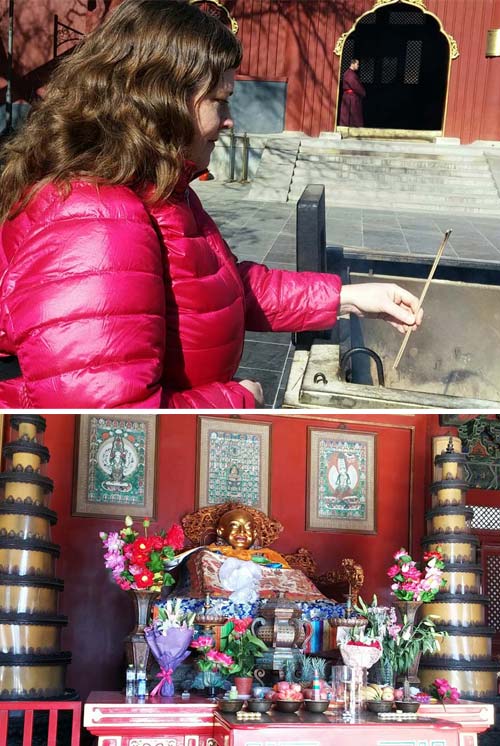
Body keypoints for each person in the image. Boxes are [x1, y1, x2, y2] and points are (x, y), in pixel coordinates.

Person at [0, 0, 420, 408]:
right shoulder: (96, 219)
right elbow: (109, 416)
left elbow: (221, 288)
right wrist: (238, 399)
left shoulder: (159, 190)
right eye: (219, 100)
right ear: (161, 99)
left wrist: (350, 297)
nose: (229, 118)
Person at [210, 507, 290, 568]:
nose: (242, 532)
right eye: (234, 526)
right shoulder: (212, 554)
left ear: (254, 534)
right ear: (220, 531)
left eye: (248, 527)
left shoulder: (267, 555)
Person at [338, 58, 366, 128]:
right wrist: (363, 92)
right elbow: (355, 85)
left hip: (351, 96)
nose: (358, 66)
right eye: (357, 64)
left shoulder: (351, 73)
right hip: (350, 98)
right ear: (353, 64)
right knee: (353, 114)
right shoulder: (350, 74)